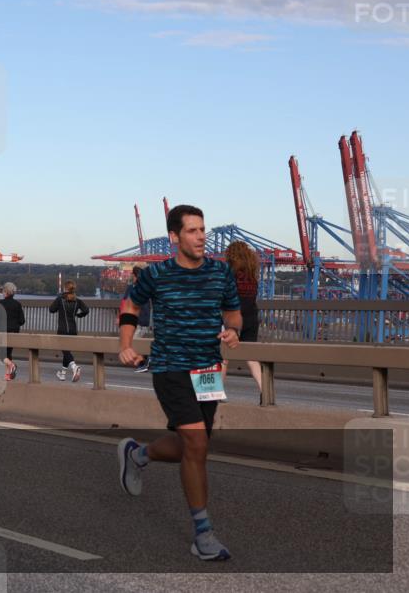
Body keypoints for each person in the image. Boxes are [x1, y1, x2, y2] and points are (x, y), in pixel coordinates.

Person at [116, 205, 242, 561]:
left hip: (207, 371)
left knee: (194, 447)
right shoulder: (156, 274)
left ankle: (137, 454)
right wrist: (126, 345)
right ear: (175, 237)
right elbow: (130, 305)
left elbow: (233, 311)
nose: (201, 236)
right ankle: (203, 534)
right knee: (197, 442)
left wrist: (233, 330)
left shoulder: (221, 272)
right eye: (192, 231)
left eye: (203, 229)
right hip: (171, 368)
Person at [224, 241, 262, 399]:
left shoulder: (230, 273)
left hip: (234, 318)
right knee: (252, 358)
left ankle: (218, 393)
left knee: (223, 356)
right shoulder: (252, 275)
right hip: (252, 317)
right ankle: (264, 391)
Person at [50, 280, 89, 382]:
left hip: (62, 329)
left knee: (65, 351)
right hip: (73, 330)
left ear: (65, 288)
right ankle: (62, 374)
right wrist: (79, 315)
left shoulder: (60, 299)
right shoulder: (78, 301)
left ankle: (74, 367)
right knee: (66, 351)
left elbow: (51, 309)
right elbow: (86, 310)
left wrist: (58, 298)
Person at [0, 282, 26, 381]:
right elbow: (22, 321)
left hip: (3, 332)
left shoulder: (0, 303)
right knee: (8, 353)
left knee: (0, 355)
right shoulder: (18, 304)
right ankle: (8, 375)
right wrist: (14, 325)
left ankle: (12, 365)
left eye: (3, 291)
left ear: (6, 292)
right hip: (14, 332)